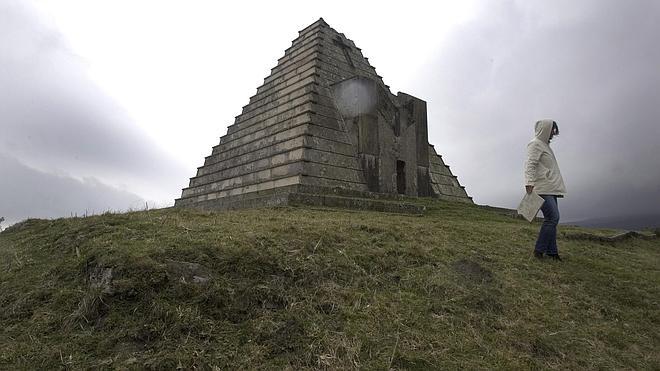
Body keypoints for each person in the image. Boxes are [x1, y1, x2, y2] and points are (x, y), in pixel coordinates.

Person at [524, 119, 566, 260]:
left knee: (551, 219)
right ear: (545, 130)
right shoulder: (535, 144)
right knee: (553, 218)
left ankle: (552, 252)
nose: (553, 134)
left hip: (551, 188)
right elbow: (530, 164)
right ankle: (539, 250)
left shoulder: (546, 146)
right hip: (541, 187)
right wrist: (529, 182)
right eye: (552, 131)